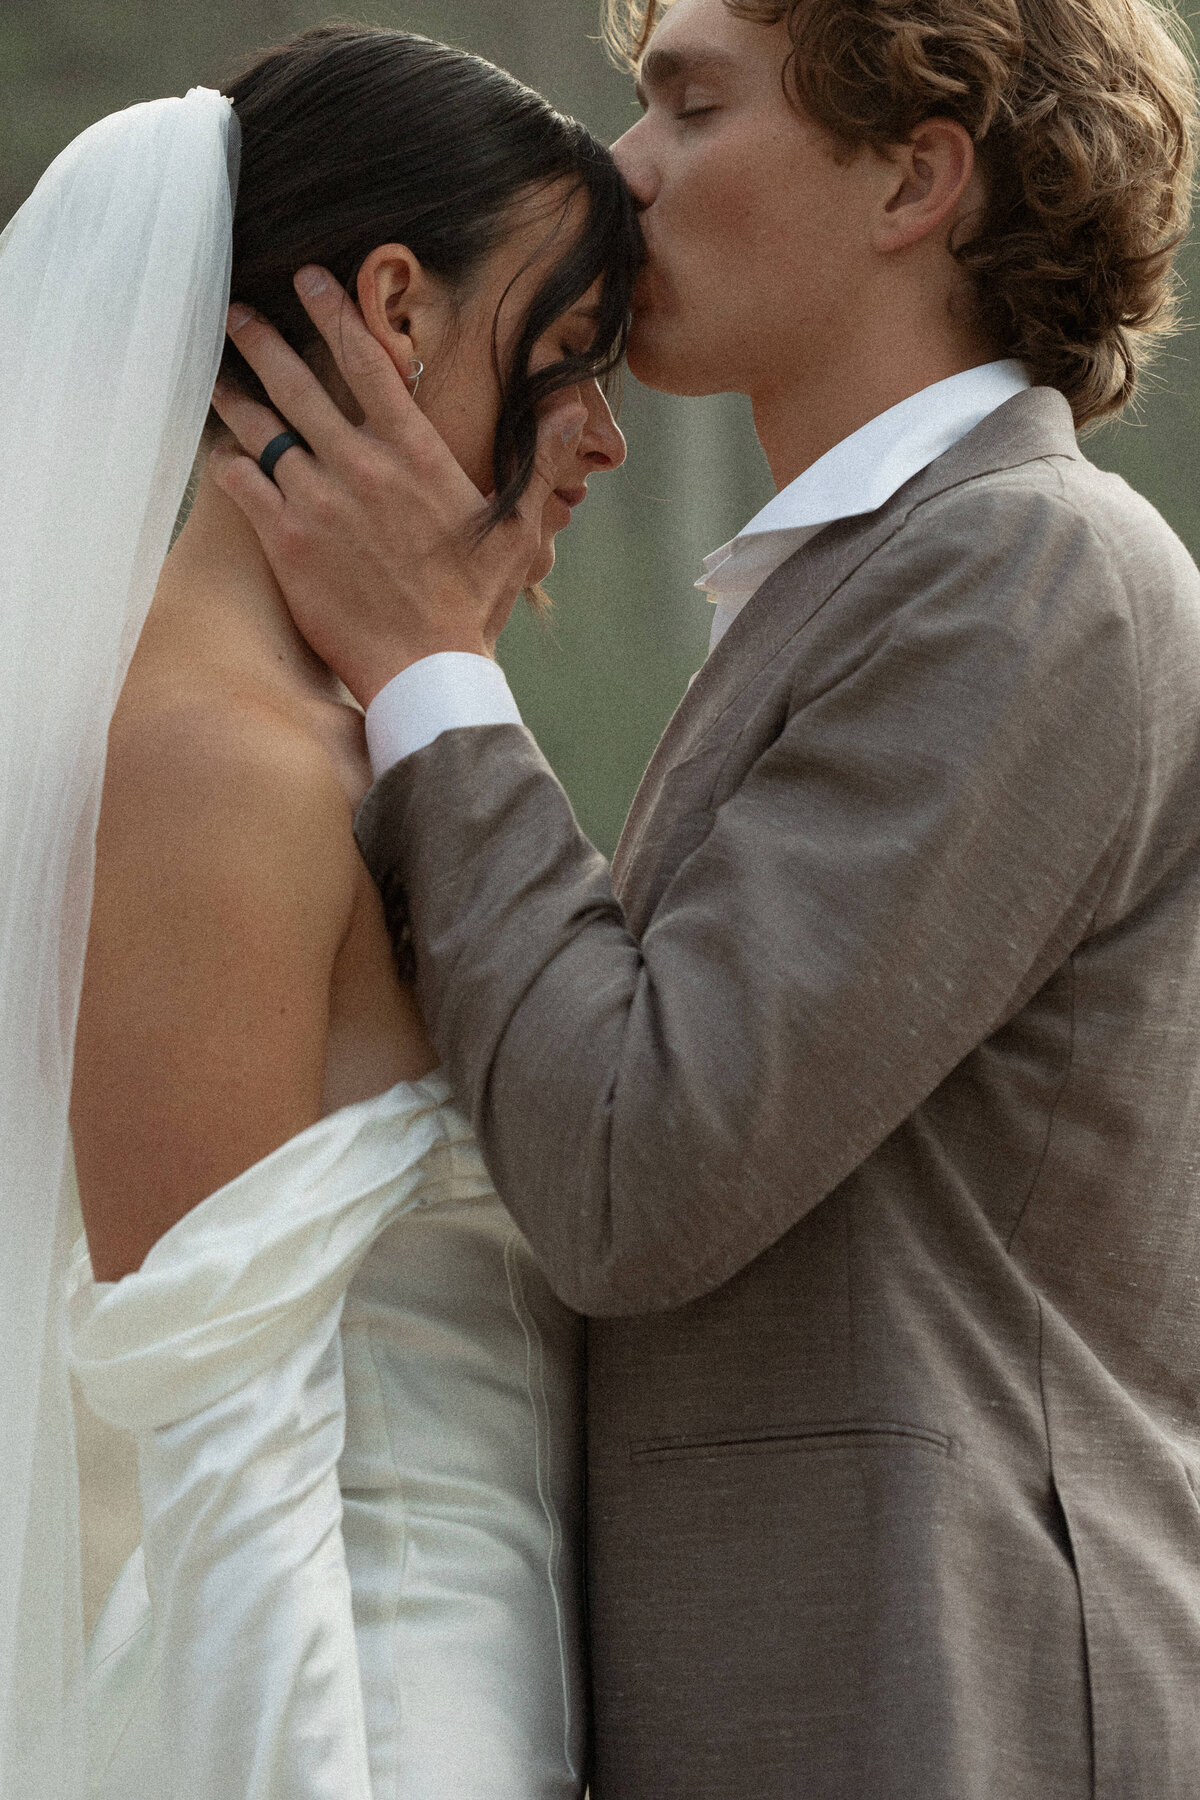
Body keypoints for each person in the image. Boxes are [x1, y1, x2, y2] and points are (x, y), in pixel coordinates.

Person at [210, 0, 1200, 1794]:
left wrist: (431, 663)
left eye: (688, 105)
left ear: (916, 175)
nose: (623, 168)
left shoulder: (1035, 568)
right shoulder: (870, 579)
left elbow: (629, 1169)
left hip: (934, 1700)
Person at [0, 24, 641, 1800]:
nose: (596, 438)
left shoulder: (355, 739)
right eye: (573, 357)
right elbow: (229, 1443)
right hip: (360, 1714)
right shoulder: (217, 770)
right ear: (395, 306)